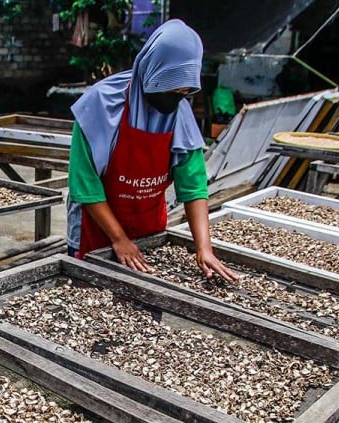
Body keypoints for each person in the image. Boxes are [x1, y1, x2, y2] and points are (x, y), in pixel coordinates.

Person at [67, 19, 237, 281]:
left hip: (148, 230)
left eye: (184, 91)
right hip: (97, 231)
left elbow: (193, 186)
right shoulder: (100, 106)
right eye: (171, 88)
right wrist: (119, 238)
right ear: (152, 72)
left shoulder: (179, 113)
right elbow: (85, 185)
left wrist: (204, 248)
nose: (177, 98)